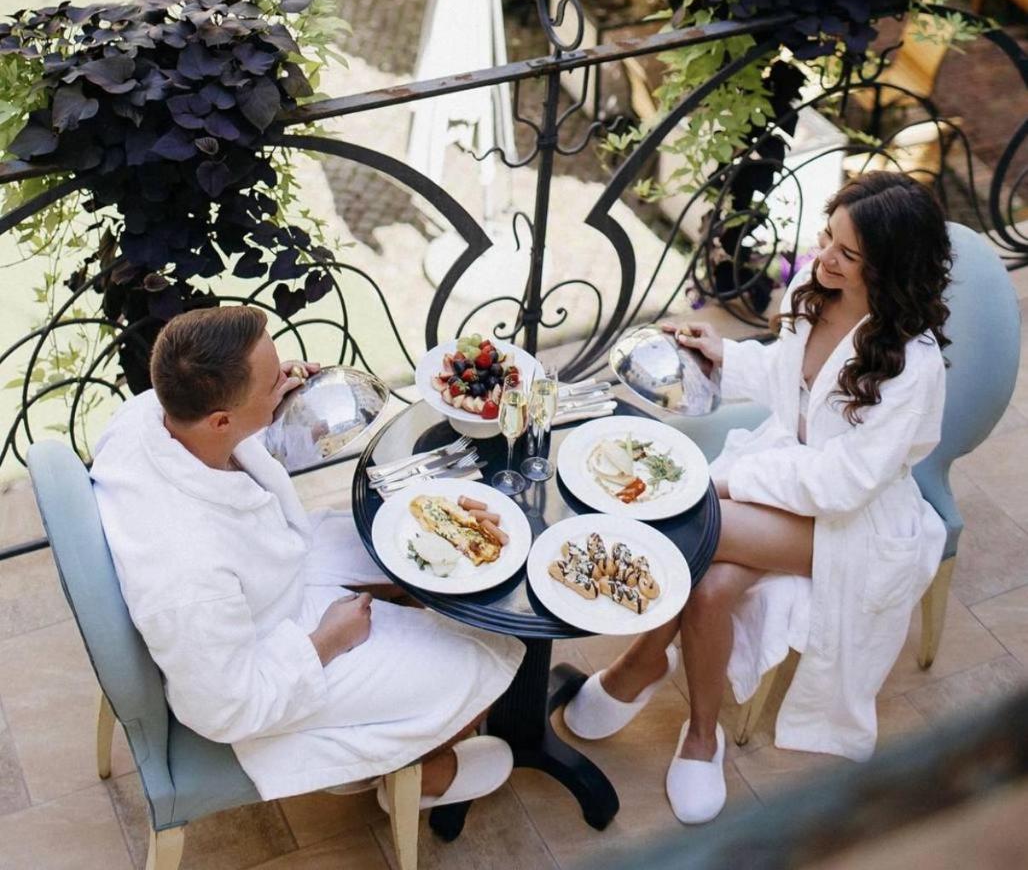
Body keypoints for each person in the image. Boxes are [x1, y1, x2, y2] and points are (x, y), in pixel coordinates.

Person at [563, 171, 951, 824]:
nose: (825, 257)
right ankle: (699, 729)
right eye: (827, 237)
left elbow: (843, 484)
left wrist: (730, 482)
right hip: (789, 480)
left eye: (848, 253)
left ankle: (644, 661)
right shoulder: (816, 290)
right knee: (710, 586)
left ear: (890, 267)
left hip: (852, 521)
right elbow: (786, 378)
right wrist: (724, 354)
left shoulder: (914, 365)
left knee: (691, 518)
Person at [91, 305, 523, 808]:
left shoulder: (151, 413)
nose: (288, 379)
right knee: (484, 657)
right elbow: (224, 709)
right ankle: (414, 773)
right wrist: (326, 642)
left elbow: (238, 449)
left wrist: (281, 408)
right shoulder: (187, 576)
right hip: (271, 640)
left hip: (271, 562)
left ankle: (394, 718)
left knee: (422, 536)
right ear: (222, 419)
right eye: (274, 380)